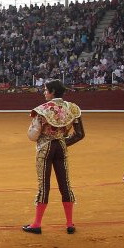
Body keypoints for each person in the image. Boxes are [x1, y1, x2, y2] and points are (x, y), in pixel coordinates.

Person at [23, 79, 85, 234]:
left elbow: (32, 135)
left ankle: (37, 224)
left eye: (45, 90)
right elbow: (79, 134)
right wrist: (62, 142)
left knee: (44, 185)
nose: (44, 92)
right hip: (61, 148)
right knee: (65, 184)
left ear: (52, 92)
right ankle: (70, 224)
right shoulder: (72, 108)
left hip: (45, 148)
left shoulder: (42, 110)